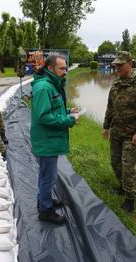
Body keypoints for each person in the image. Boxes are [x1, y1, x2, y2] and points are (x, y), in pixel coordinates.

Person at [30, 55, 80, 225]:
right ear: (50, 69)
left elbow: (53, 108)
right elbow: (44, 116)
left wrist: (67, 111)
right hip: (46, 141)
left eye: (66, 68)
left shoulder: (51, 84)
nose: (65, 71)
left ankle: (44, 200)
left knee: (46, 175)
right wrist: (69, 120)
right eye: (62, 68)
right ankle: (45, 210)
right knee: (48, 177)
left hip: (49, 140)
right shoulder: (44, 87)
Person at [102, 51, 136, 213]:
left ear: (130, 64)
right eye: (115, 65)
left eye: (120, 65)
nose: (117, 67)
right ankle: (122, 187)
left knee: (128, 166)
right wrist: (106, 126)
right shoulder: (116, 83)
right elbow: (110, 106)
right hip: (116, 131)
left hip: (131, 134)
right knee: (115, 163)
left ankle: (130, 198)